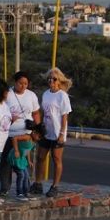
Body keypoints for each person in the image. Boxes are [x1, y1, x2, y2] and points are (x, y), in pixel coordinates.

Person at [0, 71, 41, 196]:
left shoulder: (31, 96)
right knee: (6, 161)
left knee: (22, 162)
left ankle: (23, 189)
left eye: (26, 84)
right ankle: (5, 187)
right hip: (8, 134)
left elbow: (36, 113)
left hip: (26, 134)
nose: (23, 86)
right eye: (20, 83)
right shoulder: (8, 94)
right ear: (15, 82)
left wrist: (37, 130)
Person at [34, 68, 72, 197]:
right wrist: (40, 128)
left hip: (57, 132)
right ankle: (38, 183)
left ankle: (55, 186)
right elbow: (44, 112)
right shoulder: (46, 94)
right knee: (40, 157)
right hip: (46, 130)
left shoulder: (62, 96)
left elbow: (64, 116)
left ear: (59, 81)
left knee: (56, 159)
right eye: (49, 79)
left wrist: (62, 133)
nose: (51, 81)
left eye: (54, 79)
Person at [9, 123, 44, 201]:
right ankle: (19, 193)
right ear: (34, 132)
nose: (39, 139)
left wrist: (29, 160)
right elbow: (14, 138)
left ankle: (26, 192)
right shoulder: (27, 137)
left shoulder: (33, 141)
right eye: (39, 136)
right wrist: (16, 150)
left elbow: (27, 150)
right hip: (16, 158)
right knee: (21, 175)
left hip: (22, 160)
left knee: (26, 175)